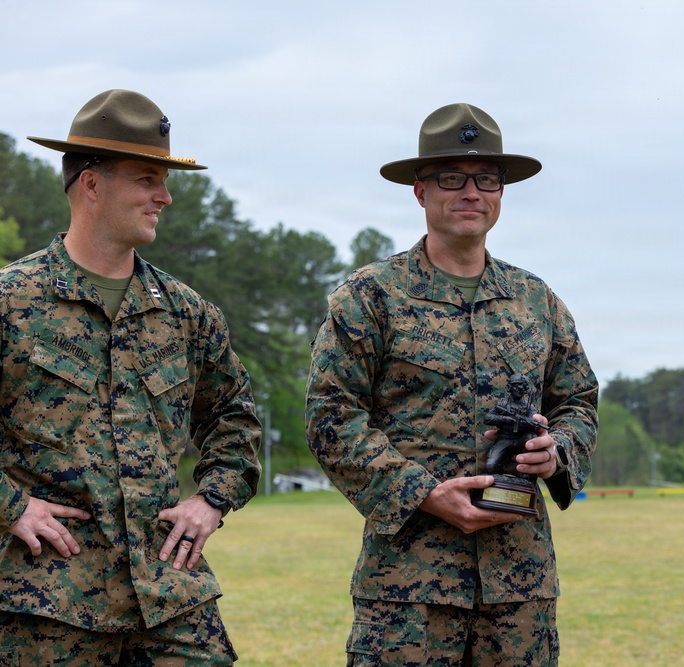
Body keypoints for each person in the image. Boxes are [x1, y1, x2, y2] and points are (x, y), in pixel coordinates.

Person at [306, 103, 599, 666]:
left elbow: (578, 400)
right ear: (420, 191)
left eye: (486, 179)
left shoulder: (535, 300)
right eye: (451, 178)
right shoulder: (371, 297)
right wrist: (423, 493)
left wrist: (556, 450)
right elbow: (331, 417)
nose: (471, 192)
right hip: (408, 588)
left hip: (519, 588)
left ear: (501, 192)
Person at [0, 89, 261, 665]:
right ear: (92, 184)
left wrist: (211, 500)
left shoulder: (187, 313)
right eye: (147, 180)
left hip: (170, 597)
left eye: (163, 181)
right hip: (45, 605)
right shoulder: (12, 303)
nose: (164, 197)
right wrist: (10, 505)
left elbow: (235, 418)